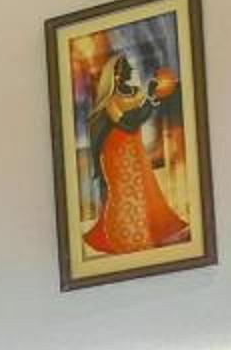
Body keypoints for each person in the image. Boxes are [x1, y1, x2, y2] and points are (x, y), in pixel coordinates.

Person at [81, 52, 191, 256]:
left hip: (133, 149)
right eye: (128, 68)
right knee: (126, 194)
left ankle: (154, 229)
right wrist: (148, 98)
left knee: (144, 188)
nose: (132, 71)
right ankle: (127, 235)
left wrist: (150, 96)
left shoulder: (133, 94)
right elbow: (128, 124)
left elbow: (140, 115)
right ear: (116, 76)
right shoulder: (111, 102)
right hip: (118, 153)